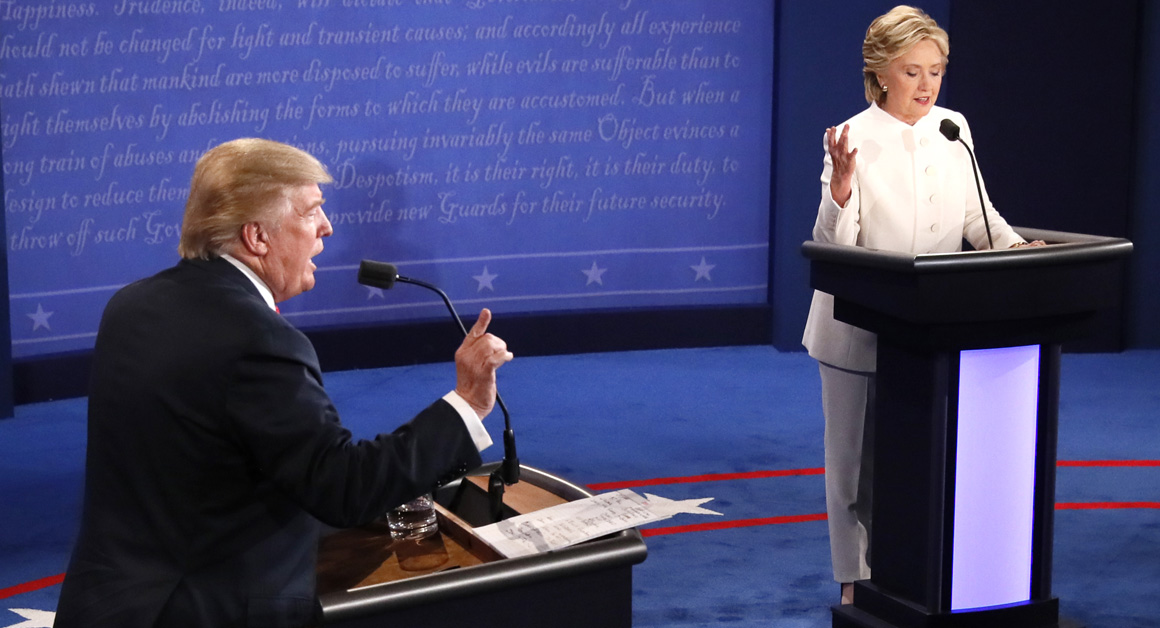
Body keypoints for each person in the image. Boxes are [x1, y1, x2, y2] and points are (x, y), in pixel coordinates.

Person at [54, 138, 514, 627]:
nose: (326, 227)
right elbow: (341, 489)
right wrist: (467, 404)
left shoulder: (130, 306)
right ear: (257, 237)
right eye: (312, 211)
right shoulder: (259, 339)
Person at [801, 6, 1043, 606]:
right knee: (853, 469)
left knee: (915, 465)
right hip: (856, 328)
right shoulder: (851, 137)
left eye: (936, 70)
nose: (927, 85)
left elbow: (976, 217)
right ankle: (855, 582)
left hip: (930, 330)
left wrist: (1018, 250)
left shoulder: (952, 128)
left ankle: (912, 574)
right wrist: (839, 192)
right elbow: (837, 247)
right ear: (881, 73)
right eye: (912, 72)